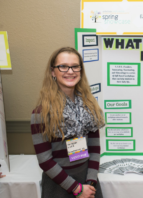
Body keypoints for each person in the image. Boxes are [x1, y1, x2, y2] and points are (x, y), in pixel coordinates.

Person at [31, 47, 105, 198]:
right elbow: (45, 161)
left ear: (81, 70)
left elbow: (95, 149)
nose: (70, 71)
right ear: (53, 72)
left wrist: (90, 184)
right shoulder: (41, 113)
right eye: (63, 66)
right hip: (59, 186)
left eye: (75, 66)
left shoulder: (89, 107)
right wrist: (76, 189)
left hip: (88, 183)